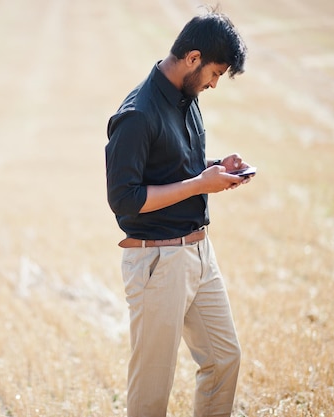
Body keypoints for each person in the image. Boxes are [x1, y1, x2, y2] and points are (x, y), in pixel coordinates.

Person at [105, 9, 251, 417]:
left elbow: (177, 168)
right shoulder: (137, 114)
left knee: (224, 359)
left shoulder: (188, 97)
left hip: (201, 255)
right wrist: (201, 185)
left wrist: (217, 168)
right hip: (156, 261)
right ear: (193, 58)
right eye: (214, 73)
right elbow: (125, 199)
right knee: (152, 390)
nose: (214, 84)